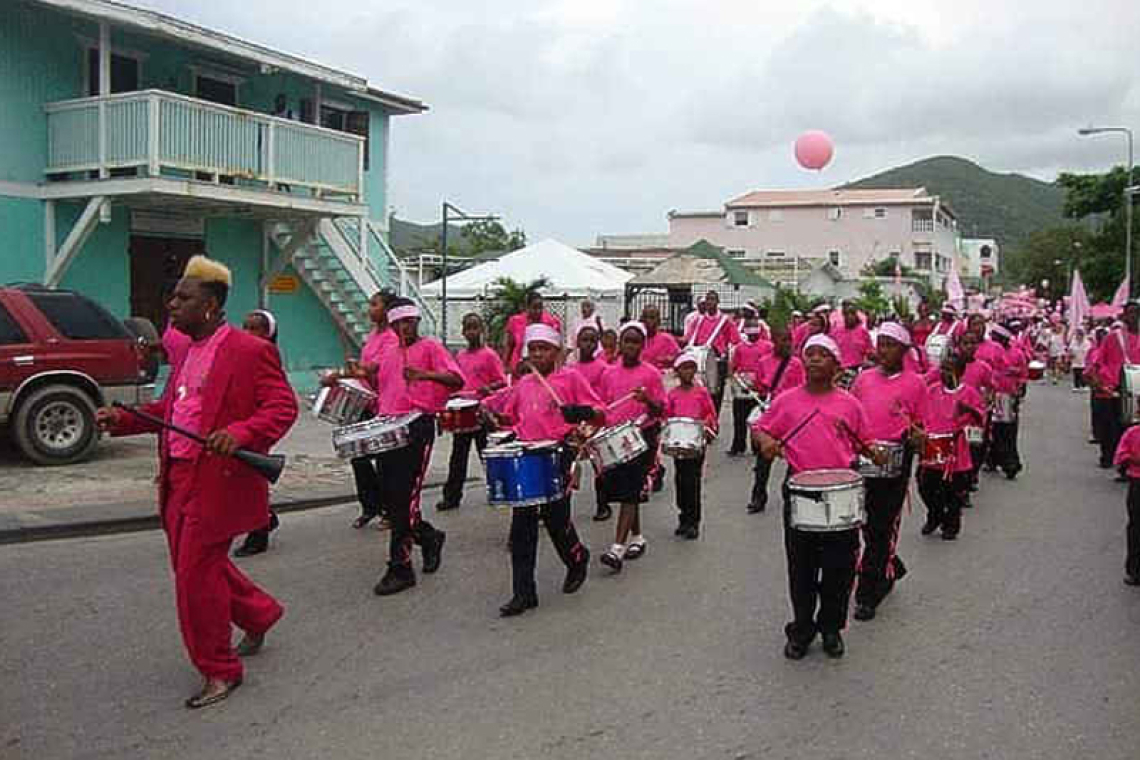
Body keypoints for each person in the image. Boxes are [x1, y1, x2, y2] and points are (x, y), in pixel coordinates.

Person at [97, 256, 298, 709]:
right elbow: (173, 411)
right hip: (178, 478)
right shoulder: (187, 352)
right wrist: (123, 417)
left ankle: (220, 669)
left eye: (182, 298)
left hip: (219, 482)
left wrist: (241, 432)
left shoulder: (250, 350)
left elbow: (281, 407)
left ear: (209, 305)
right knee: (200, 568)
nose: (172, 305)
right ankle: (259, 613)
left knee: (192, 579)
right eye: (174, 296)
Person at [753, 334, 875, 659]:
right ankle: (802, 628)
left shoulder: (850, 404)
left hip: (841, 492)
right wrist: (765, 441)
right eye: (810, 354)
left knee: (840, 566)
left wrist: (876, 452)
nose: (814, 360)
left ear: (836, 365)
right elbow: (761, 427)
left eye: (823, 355)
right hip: (800, 489)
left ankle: (831, 627)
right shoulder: (786, 401)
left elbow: (867, 443)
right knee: (802, 565)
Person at [492, 324, 597, 616]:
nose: (538, 354)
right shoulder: (523, 384)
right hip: (527, 457)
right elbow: (510, 419)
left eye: (544, 349)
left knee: (556, 521)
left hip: (558, 455)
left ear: (556, 351)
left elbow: (600, 413)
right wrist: (496, 418)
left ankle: (577, 559)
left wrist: (581, 413)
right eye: (533, 349)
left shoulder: (571, 378)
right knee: (522, 526)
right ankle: (523, 593)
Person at [370, 299, 462, 596]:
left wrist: (425, 375)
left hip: (418, 426)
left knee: (405, 498)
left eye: (408, 322)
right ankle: (429, 536)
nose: (403, 328)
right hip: (388, 427)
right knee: (392, 499)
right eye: (398, 324)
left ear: (416, 321)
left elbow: (457, 379)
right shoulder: (388, 351)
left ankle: (401, 567)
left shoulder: (431, 348)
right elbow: (382, 388)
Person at [849, 322, 927, 620]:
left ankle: (868, 593)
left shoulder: (915, 383)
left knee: (882, 526)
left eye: (890, 344)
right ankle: (889, 563)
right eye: (880, 343)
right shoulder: (863, 379)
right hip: (863, 460)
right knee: (863, 523)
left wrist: (916, 437)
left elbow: (922, 426)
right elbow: (851, 414)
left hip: (895, 463)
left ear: (904, 350)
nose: (882, 350)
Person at [323, 291, 397, 530]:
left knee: (384, 461)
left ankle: (390, 510)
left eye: (374, 305)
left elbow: (374, 370)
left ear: (387, 310)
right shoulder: (373, 335)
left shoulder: (392, 338)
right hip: (363, 404)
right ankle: (370, 506)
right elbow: (364, 369)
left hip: (382, 405)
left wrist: (343, 375)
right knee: (359, 458)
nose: (370, 309)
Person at [597, 322, 667, 573]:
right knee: (627, 489)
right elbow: (604, 408)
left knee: (631, 489)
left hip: (642, 436)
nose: (630, 346)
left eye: (635, 342)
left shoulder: (651, 374)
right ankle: (637, 537)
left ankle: (617, 548)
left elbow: (661, 410)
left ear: (642, 346)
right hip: (616, 438)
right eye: (626, 340)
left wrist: (647, 399)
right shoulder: (608, 373)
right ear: (619, 343)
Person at [438, 313, 507, 511]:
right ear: (463, 331)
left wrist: (489, 388)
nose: (471, 332)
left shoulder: (490, 355)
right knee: (458, 456)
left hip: (482, 411)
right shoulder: (460, 356)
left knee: (486, 455)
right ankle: (451, 497)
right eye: (468, 328)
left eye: (475, 327)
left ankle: (498, 490)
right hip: (463, 412)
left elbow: (502, 381)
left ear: (482, 330)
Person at [917, 352, 985, 540]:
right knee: (925, 486)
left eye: (950, 369)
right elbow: (921, 415)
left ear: (960, 372)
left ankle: (951, 524)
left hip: (957, 451)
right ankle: (935, 514)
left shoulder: (969, 393)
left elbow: (981, 420)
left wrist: (969, 410)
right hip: (932, 447)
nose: (945, 373)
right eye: (943, 368)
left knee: (953, 492)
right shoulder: (932, 390)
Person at [233, 309, 283, 557]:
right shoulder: (243, 353)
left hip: (256, 425)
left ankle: (259, 531)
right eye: (245, 327)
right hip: (240, 422)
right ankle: (265, 517)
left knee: (253, 480)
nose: (248, 333)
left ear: (268, 333)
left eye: (255, 328)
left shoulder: (265, 353)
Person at [748, 327, 805, 514]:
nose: (788, 344)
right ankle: (758, 496)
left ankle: (792, 492)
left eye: (790, 340)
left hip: (791, 415)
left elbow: (802, 388)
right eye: (783, 340)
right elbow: (758, 385)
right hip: (772, 414)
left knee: (795, 457)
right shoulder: (763, 362)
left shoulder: (796, 364)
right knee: (764, 458)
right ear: (774, 341)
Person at [665, 351, 719, 539]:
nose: (688, 372)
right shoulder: (672, 395)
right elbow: (667, 416)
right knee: (680, 481)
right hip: (679, 444)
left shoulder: (701, 393)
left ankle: (693, 521)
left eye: (691, 368)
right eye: (684, 368)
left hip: (696, 443)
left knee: (693, 482)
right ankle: (683, 518)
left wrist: (708, 426)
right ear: (677, 372)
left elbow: (710, 414)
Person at [1087, 303, 1140, 472]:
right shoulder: (1113, 337)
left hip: (1136, 389)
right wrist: (1101, 384)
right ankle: (1112, 457)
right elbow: (1098, 362)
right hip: (1115, 387)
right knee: (1113, 427)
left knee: (1131, 427)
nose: (1133, 317)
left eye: (1136, 314)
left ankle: (1127, 462)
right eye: (1130, 313)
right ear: (1124, 316)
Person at [683, 290, 742, 412]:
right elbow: (688, 339)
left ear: (718, 302)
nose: (710, 303)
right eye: (708, 300)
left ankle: (714, 422)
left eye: (713, 299)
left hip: (718, 362)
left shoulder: (725, 321)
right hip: (699, 362)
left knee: (715, 396)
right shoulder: (698, 320)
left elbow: (736, 341)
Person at [727, 320, 772, 456]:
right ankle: (738, 445)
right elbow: (732, 368)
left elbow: (770, 367)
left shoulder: (768, 347)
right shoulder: (740, 348)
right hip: (742, 386)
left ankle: (757, 446)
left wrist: (763, 384)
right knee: (739, 419)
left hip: (760, 389)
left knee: (758, 420)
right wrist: (736, 382)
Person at [502, 291, 562, 377]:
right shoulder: (515, 321)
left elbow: (558, 347)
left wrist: (558, 369)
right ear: (527, 307)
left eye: (540, 308)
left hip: (543, 370)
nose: (538, 311)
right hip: (518, 370)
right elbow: (509, 346)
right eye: (534, 308)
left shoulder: (551, 322)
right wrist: (505, 366)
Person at [1112, 423, 1140, 586]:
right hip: (1137, 482)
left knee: (1135, 527)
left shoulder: (1132, 432)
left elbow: (1121, 457)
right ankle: (1135, 570)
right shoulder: (1133, 433)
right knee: (1136, 526)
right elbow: (1121, 457)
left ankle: (1134, 570)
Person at [832, 301, 874, 383]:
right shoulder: (836, 332)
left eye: (852, 314)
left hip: (857, 370)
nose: (849, 317)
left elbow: (870, 351)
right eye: (846, 314)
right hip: (839, 371)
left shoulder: (862, 332)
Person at [641, 304, 681, 372]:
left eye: (652, 317)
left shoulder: (667, 339)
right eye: (645, 317)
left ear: (658, 321)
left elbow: (680, 359)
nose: (648, 321)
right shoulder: (637, 340)